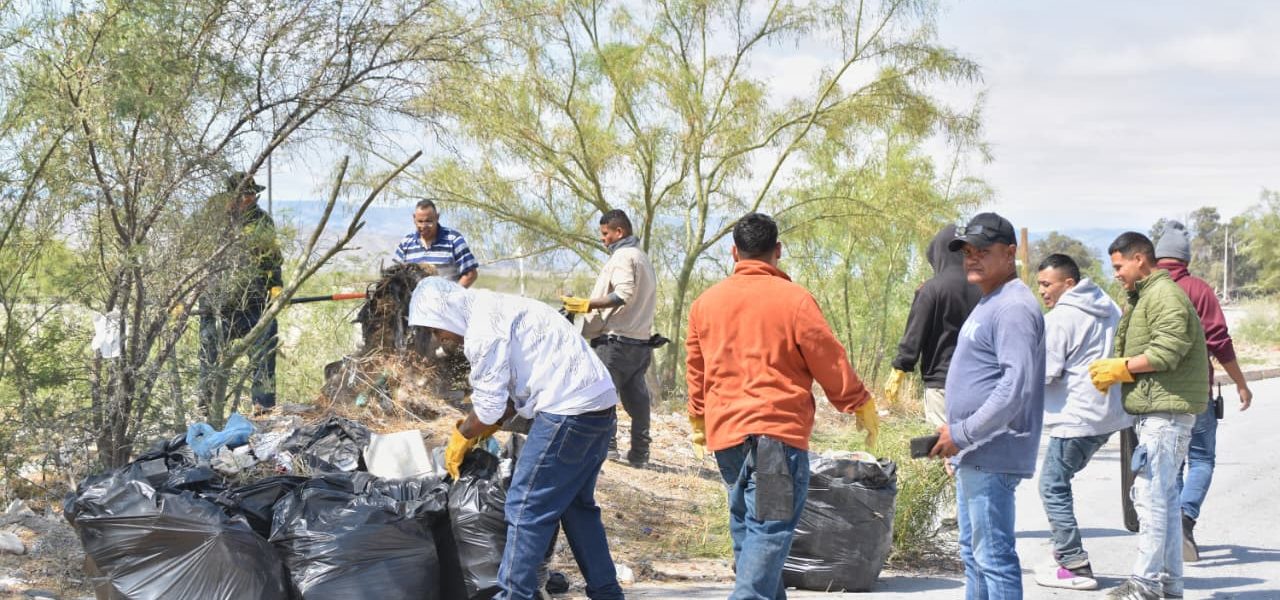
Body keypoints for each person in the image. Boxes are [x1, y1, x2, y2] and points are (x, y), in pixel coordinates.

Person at [685, 212, 878, 600]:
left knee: (749, 530)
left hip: (727, 437)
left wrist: (699, 417)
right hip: (774, 439)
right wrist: (857, 401)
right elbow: (827, 357)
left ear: (734, 253)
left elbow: (696, 366)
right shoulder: (794, 301)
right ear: (778, 250)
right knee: (768, 531)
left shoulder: (705, 304)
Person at [408, 277, 623, 600]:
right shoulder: (497, 306)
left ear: (445, 314)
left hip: (567, 411)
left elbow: (489, 408)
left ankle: (513, 595)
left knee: (525, 505)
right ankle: (608, 594)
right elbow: (505, 401)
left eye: (437, 329)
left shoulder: (482, 331)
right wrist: (487, 424)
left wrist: (460, 438)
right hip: (598, 407)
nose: (441, 338)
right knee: (577, 507)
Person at [929, 212, 1045, 600]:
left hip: (992, 452)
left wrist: (961, 435)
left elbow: (1015, 388)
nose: (972, 258)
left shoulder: (1013, 307)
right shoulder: (990, 301)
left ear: (1010, 253)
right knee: (975, 556)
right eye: (967, 252)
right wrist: (958, 442)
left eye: (982, 250)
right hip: (975, 452)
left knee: (993, 557)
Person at [1090, 232, 1208, 600]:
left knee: (1150, 497)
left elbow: (1168, 350)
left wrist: (1122, 367)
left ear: (1139, 258)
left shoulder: (1164, 295)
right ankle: (1169, 587)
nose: (1116, 273)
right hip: (1159, 413)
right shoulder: (1147, 296)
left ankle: (1144, 584)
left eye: (1119, 265)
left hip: (1166, 415)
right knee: (1165, 502)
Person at [1153, 221, 1253, 561]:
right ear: (1185, 258)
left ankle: (1174, 528)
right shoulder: (1198, 289)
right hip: (1195, 394)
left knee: (1173, 463)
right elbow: (1219, 342)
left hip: (1154, 394)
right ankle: (1184, 519)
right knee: (1201, 458)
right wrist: (1240, 383)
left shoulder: (1144, 289)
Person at [1033, 253, 1131, 590]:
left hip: (1076, 416)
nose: (1042, 291)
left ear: (1069, 283)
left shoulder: (1061, 318)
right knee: (1060, 480)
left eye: (1047, 284)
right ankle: (1062, 550)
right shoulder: (1109, 307)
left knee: (1052, 485)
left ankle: (1074, 563)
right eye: (1039, 285)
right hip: (1108, 414)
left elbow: (1045, 372)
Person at [561, 209, 659, 467]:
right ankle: (640, 453)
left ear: (619, 232)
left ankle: (609, 447)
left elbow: (623, 293)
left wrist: (586, 304)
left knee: (603, 394)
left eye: (605, 234)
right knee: (638, 399)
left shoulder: (623, 256)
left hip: (616, 341)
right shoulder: (642, 257)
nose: (603, 239)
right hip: (640, 341)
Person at [199, 171, 283, 413]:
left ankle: (263, 407)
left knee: (265, 350)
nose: (251, 198)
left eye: (253, 194)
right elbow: (197, 253)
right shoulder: (212, 218)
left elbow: (273, 259)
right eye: (246, 194)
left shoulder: (262, 221)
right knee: (209, 355)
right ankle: (206, 409)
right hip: (217, 305)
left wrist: (276, 288)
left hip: (255, 304)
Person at [885, 224, 982, 426]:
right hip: (979, 383)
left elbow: (915, 332)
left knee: (943, 442)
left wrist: (900, 366)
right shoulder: (984, 286)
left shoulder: (932, 289)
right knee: (973, 441)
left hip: (942, 385)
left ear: (938, 253)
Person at [392, 199, 479, 287]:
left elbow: (470, 274)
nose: (424, 226)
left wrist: (453, 293)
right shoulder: (406, 243)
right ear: (414, 218)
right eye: (420, 221)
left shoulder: (453, 240)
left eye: (428, 221)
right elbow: (394, 276)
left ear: (437, 218)